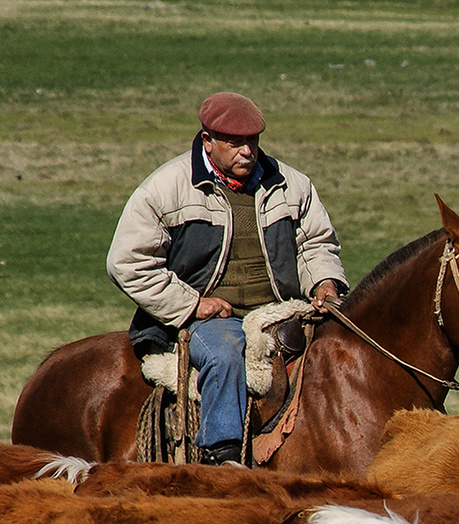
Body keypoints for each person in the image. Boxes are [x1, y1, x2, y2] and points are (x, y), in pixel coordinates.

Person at [107, 92, 347, 465]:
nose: (247, 152)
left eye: (251, 141)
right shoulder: (167, 189)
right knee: (225, 355)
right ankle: (223, 458)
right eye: (234, 143)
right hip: (212, 318)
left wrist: (324, 282)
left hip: (283, 310)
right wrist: (192, 304)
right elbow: (127, 262)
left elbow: (315, 243)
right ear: (208, 141)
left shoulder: (292, 185)